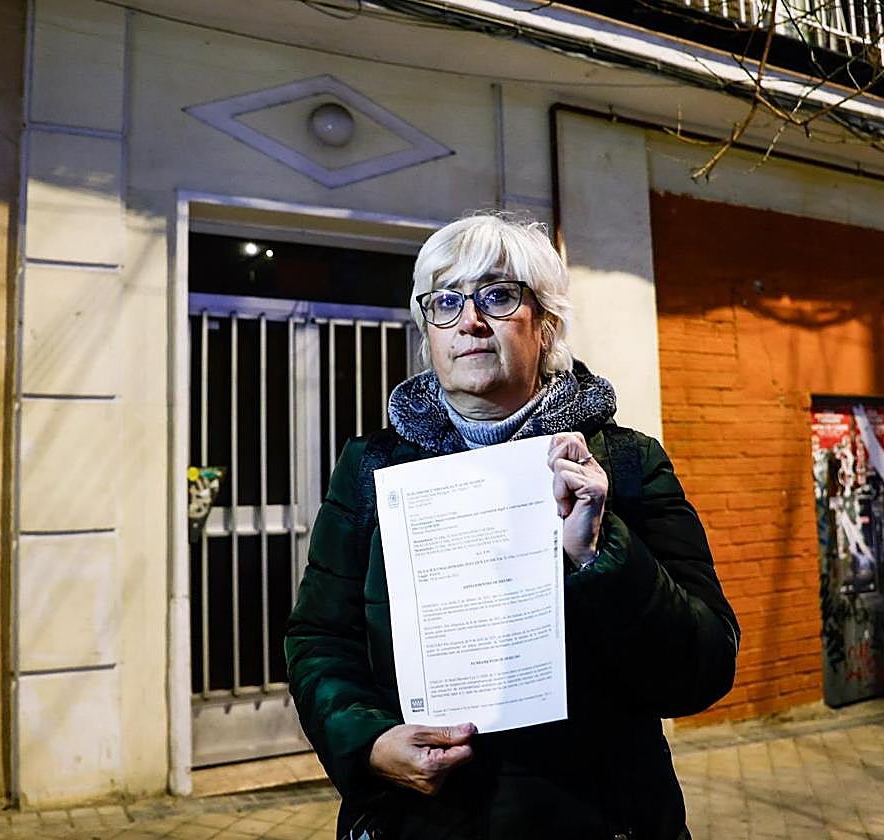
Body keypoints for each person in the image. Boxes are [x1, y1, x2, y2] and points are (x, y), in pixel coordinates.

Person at [285, 211, 739, 840]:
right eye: (445, 303)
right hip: (425, 820)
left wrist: (599, 556)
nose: (468, 321)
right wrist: (369, 742)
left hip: (598, 818)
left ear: (545, 323)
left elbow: (704, 668)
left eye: (497, 296)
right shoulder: (372, 468)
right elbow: (318, 639)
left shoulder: (627, 464)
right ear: (427, 331)